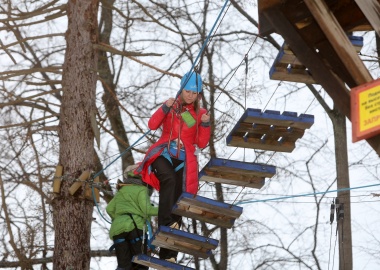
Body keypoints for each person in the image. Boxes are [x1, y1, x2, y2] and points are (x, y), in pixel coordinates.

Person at [135, 71, 211, 263]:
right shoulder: (172, 106)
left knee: (177, 201)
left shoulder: (200, 113)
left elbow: (201, 143)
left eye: (194, 93)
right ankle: (165, 226)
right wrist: (164, 108)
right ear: (181, 89)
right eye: (187, 91)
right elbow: (152, 125)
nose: (190, 96)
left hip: (184, 161)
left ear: (199, 95)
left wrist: (205, 124)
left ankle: (169, 255)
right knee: (167, 179)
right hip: (164, 153)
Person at [107, 164, 158, 270]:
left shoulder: (121, 191)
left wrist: (119, 219)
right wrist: (164, 210)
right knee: (141, 264)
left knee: (124, 266)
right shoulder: (142, 190)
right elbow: (147, 210)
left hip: (118, 230)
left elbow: (109, 209)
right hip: (135, 228)